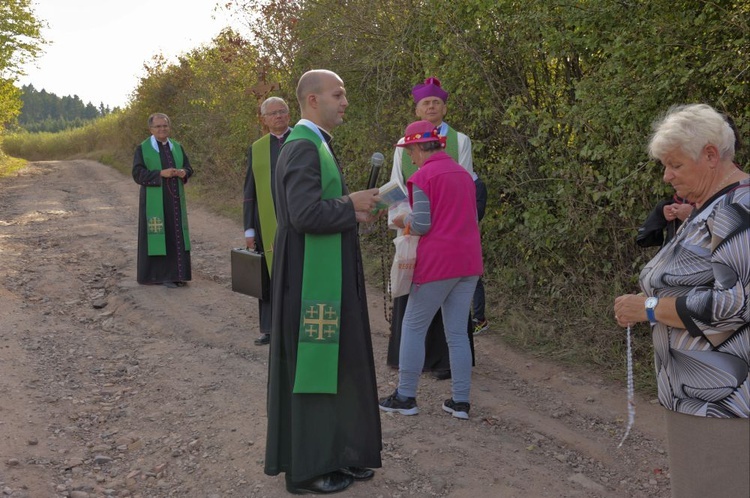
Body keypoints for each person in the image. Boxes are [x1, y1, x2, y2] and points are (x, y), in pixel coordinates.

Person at [614, 104, 749, 498]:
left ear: (710, 155)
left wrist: (651, 308)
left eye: (674, 165)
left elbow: (737, 304)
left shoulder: (739, 209)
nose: (666, 175)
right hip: (697, 396)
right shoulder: (712, 205)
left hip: (724, 402)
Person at [264, 69, 383, 495]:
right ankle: (306, 468)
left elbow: (322, 208)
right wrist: (348, 205)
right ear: (313, 100)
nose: (345, 101)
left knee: (338, 366)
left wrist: (355, 210)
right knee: (312, 371)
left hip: (328, 274)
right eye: (339, 94)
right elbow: (303, 215)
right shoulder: (301, 146)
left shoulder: (316, 143)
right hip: (309, 281)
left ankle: (339, 453)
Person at [379, 120, 483, 420]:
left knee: (413, 325)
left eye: (410, 151)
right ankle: (460, 402)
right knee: (457, 333)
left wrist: (400, 221)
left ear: (418, 147)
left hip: (438, 262)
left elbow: (422, 224)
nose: (410, 158)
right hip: (469, 262)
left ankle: (406, 396)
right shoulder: (464, 175)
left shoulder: (424, 177)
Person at [386, 76, 477, 379]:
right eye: (426, 102)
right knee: (420, 306)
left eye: (436, 102)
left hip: (439, 229)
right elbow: (398, 183)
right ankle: (420, 364)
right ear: (417, 110)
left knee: (424, 311)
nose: (431, 106)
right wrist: (403, 217)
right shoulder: (402, 146)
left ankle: (440, 364)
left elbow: (465, 179)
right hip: (424, 229)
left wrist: (414, 219)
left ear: (444, 108)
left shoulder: (461, 141)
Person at [242, 97, 293, 346]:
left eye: (282, 111)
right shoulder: (257, 148)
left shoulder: (304, 141)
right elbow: (249, 192)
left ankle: (296, 326)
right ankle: (270, 328)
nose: (278, 116)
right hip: (266, 223)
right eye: (272, 113)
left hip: (299, 220)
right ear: (264, 119)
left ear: (289, 115)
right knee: (268, 275)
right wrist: (249, 229)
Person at [132, 113, 193, 288]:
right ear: (151, 129)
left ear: (169, 127)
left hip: (175, 200)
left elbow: (189, 167)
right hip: (155, 201)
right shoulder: (142, 149)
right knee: (161, 234)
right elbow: (137, 174)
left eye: (165, 126)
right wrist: (160, 173)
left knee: (176, 235)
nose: (162, 129)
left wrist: (184, 172)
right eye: (158, 126)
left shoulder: (177, 146)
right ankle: (160, 276)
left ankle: (179, 275)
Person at [471, 172, 489, 333]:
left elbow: (478, 213)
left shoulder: (478, 185)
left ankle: (479, 318)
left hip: (470, 237)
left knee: (474, 278)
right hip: (457, 237)